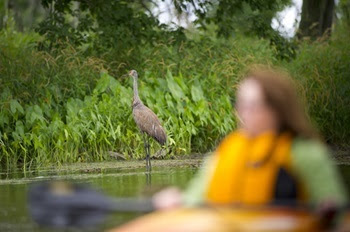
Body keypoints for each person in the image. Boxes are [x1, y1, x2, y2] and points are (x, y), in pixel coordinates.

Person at [153, 66, 347, 217]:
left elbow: (336, 208)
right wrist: (178, 200)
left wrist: (328, 209)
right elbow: (194, 198)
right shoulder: (227, 151)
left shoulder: (306, 153)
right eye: (241, 104)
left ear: (276, 109)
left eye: (253, 105)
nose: (244, 113)